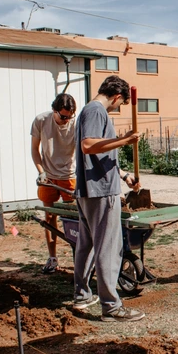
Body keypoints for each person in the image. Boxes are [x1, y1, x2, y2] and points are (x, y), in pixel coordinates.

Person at [72, 75, 144, 322]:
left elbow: (102, 155)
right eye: (121, 103)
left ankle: (82, 294)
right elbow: (88, 146)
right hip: (101, 192)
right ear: (116, 96)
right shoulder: (95, 111)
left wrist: (124, 176)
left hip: (91, 190)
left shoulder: (90, 112)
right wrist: (126, 140)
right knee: (109, 248)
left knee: (87, 246)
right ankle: (112, 307)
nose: (119, 108)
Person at [31, 93, 78, 274]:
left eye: (70, 116)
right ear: (54, 110)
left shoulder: (75, 124)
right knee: (50, 218)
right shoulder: (41, 121)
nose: (66, 120)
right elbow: (35, 150)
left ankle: (79, 260)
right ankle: (52, 258)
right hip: (48, 177)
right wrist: (41, 172)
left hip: (69, 176)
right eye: (63, 116)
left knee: (74, 219)